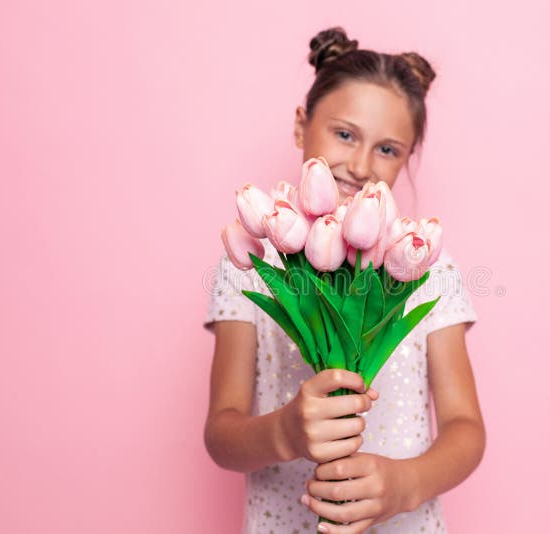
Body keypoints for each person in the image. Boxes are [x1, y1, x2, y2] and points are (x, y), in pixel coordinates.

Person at [202, 26, 485, 534]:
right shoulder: (256, 260)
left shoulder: (424, 264)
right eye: (345, 134)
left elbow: (466, 431)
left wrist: (406, 484)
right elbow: (221, 435)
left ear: (408, 157)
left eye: (388, 149)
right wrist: (284, 433)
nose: (358, 165)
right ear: (301, 125)